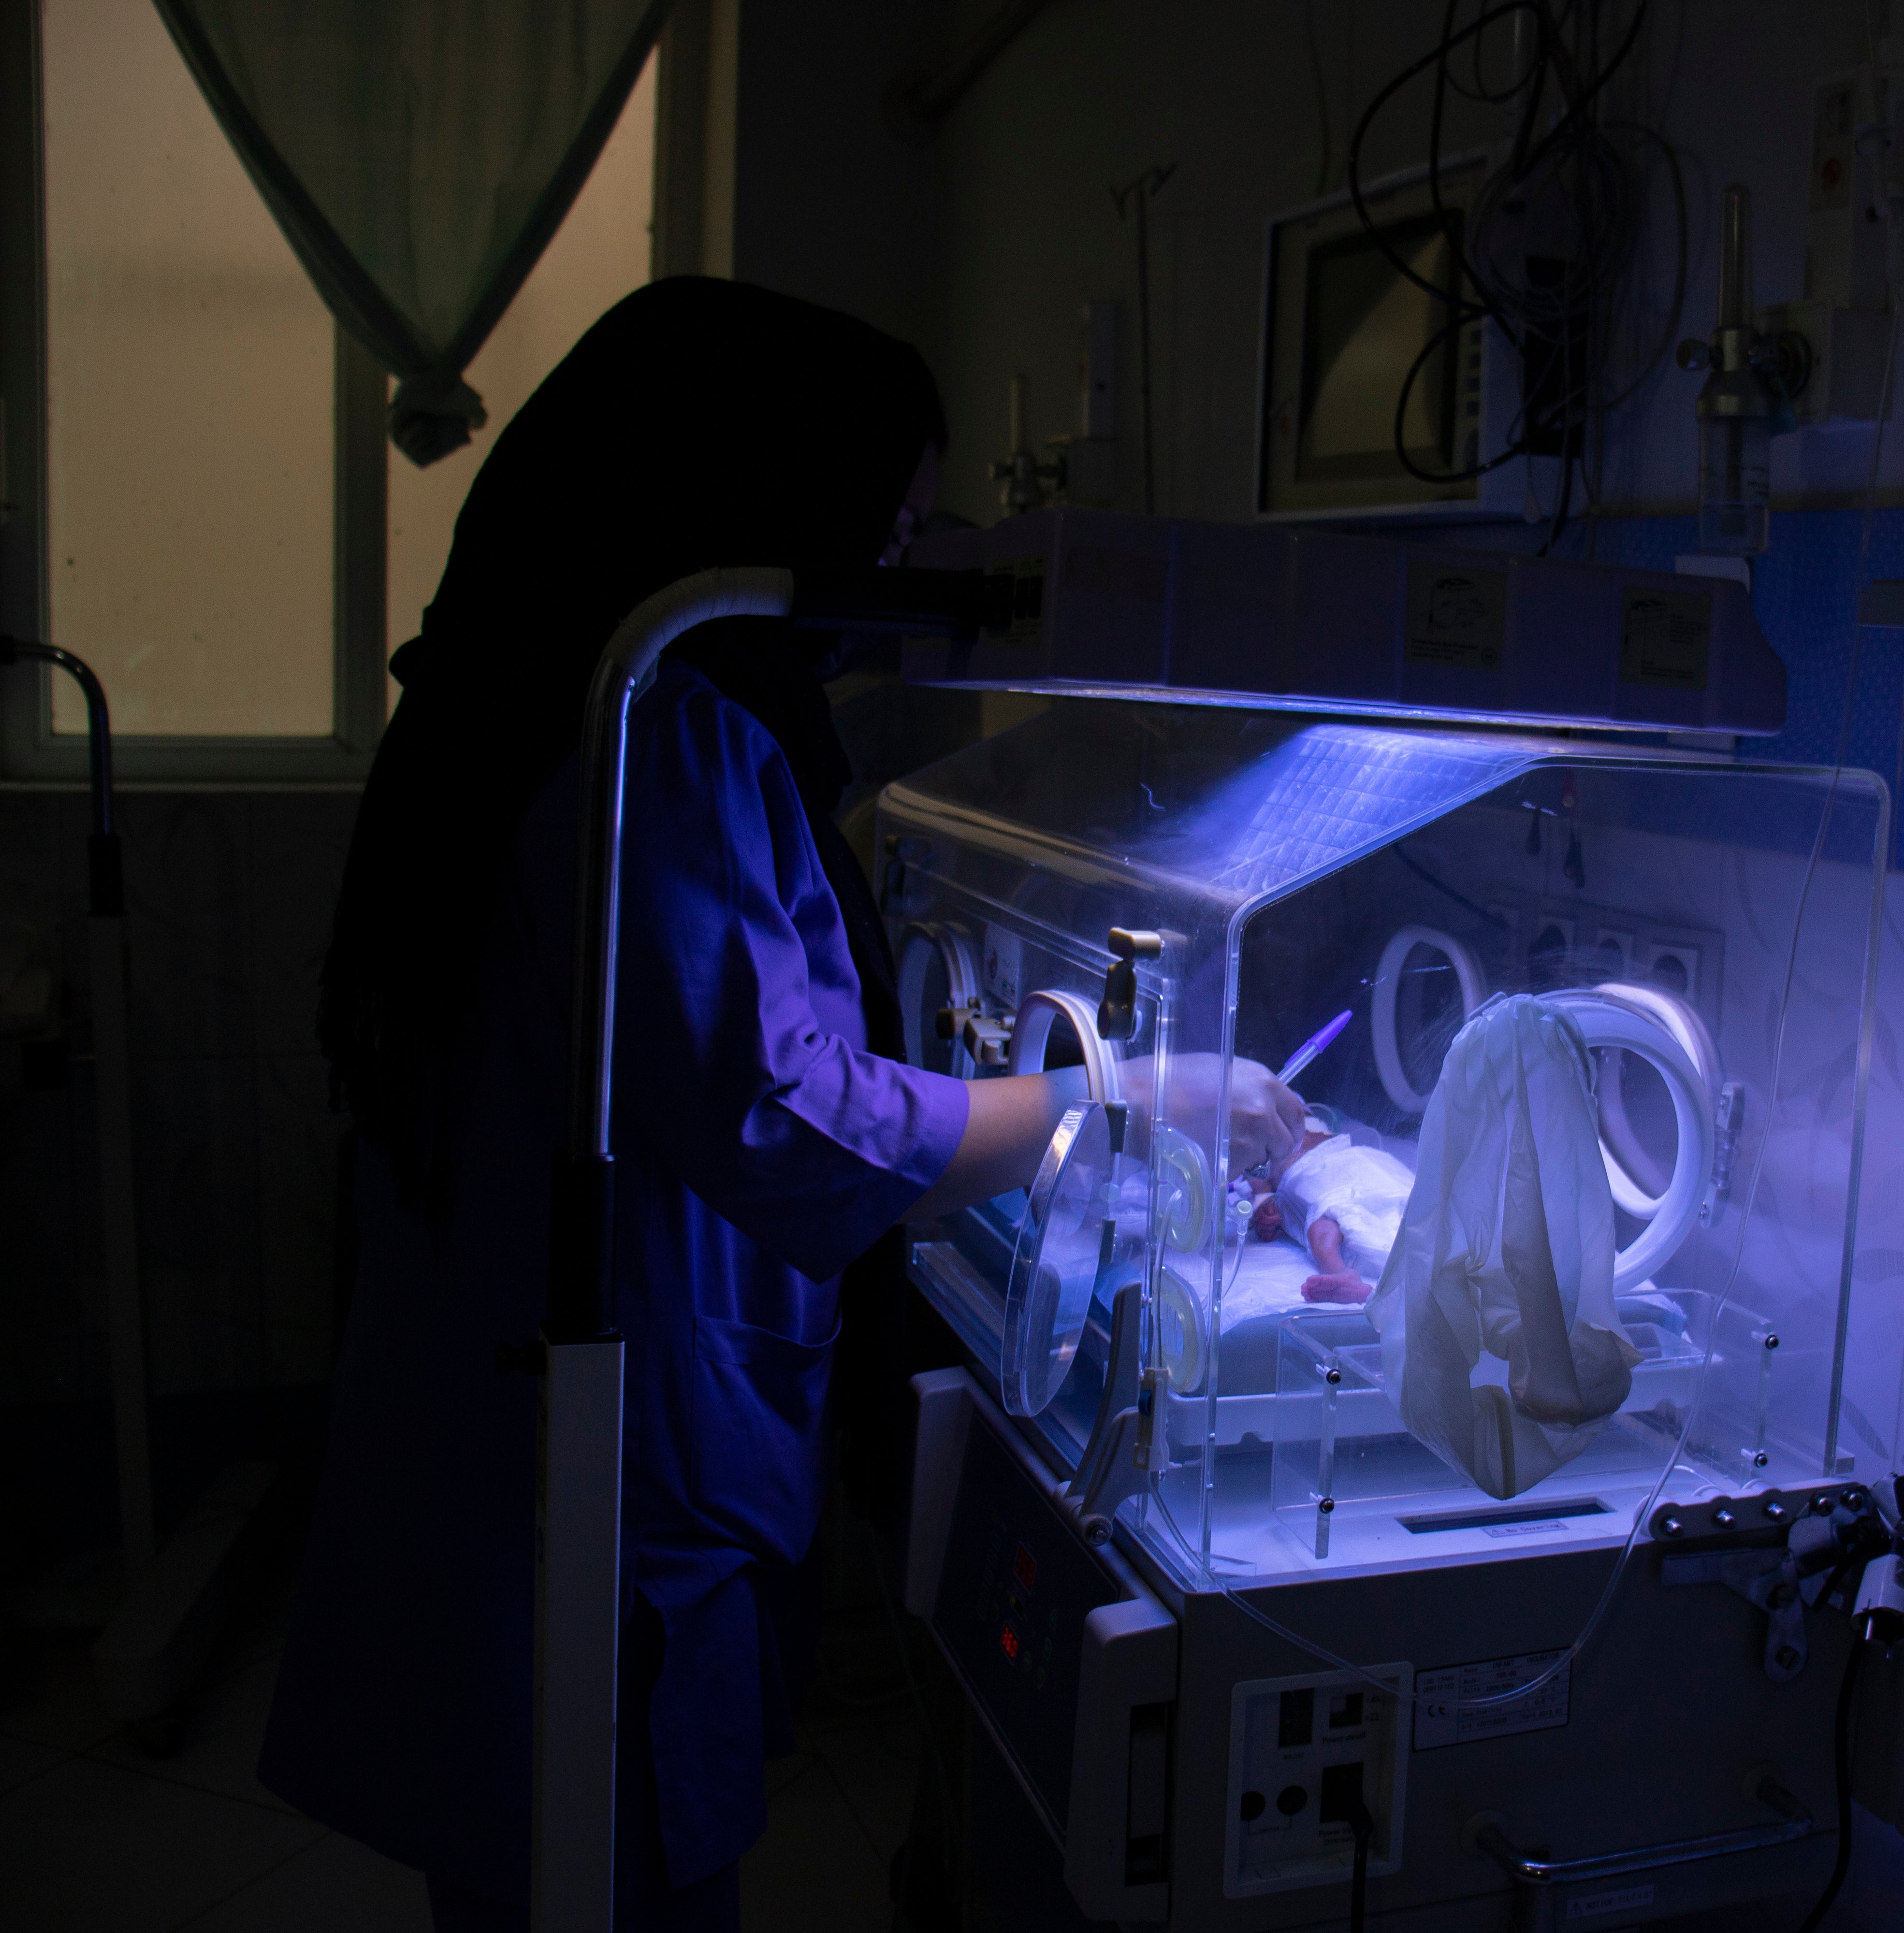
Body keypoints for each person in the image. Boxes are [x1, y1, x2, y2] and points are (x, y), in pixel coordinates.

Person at [266, 278, 1302, 1931]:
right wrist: (1127, 1097)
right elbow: (791, 1119)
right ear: (755, 503)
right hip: (609, 1443)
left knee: (534, 1860)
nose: (878, 581)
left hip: (505, 1410)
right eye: (875, 531)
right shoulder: (656, 721)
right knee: (605, 1859)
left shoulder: (520, 687)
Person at [1248, 1121, 1417, 1303]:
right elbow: (1262, 1193)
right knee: (1325, 1222)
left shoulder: (1317, 1135)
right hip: (1323, 1182)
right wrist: (1265, 1209)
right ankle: (1340, 1274)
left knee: (1407, 1206)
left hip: (1371, 1168)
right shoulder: (1263, 1150)